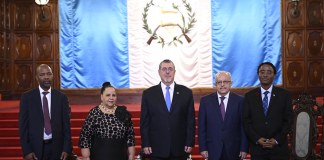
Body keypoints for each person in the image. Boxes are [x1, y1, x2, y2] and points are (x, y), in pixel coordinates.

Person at [140, 59, 195, 160]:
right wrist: (146, 143)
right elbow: (145, 122)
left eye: (170, 69)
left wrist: (189, 142)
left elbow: (190, 121)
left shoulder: (186, 93)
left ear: (175, 71)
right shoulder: (148, 94)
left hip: (180, 148)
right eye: (164, 69)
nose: (167, 72)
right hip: (157, 148)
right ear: (159, 72)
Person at [19, 64, 72, 160]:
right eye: (42, 74)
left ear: (52, 75)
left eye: (49, 74)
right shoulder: (27, 98)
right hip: (35, 149)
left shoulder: (61, 98)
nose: (46, 77)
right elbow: (23, 127)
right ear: (36, 78)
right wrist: (27, 150)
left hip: (57, 148)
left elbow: (66, 126)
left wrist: (67, 148)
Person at [243, 62, 293, 160]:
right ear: (258, 75)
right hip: (257, 149)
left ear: (274, 75)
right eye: (262, 72)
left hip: (279, 149)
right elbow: (246, 121)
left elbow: (289, 120)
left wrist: (276, 140)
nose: (265, 75)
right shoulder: (249, 96)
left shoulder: (285, 95)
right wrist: (257, 139)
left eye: (269, 72)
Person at [198, 71, 249, 160]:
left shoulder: (240, 101)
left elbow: (243, 126)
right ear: (215, 84)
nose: (222, 85)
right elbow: (202, 127)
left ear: (231, 83)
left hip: (234, 149)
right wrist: (203, 148)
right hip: (212, 149)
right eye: (219, 82)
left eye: (225, 82)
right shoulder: (205, 101)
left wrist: (244, 148)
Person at [79, 82, 135, 160]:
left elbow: (130, 136)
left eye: (113, 95)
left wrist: (131, 155)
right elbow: (85, 136)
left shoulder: (123, 112)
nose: (111, 98)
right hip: (99, 155)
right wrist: (86, 157)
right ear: (101, 97)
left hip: (120, 155)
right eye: (108, 95)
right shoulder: (94, 113)